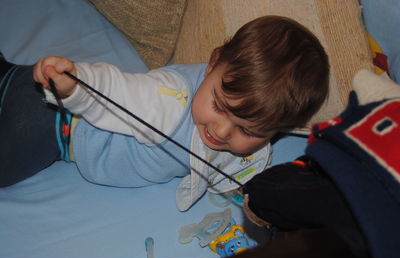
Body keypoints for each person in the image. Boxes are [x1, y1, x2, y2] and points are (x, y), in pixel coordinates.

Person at [0, 15, 329, 210]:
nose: (223, 132)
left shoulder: (250, 134)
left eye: (250, 130)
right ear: (213, 63)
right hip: (51, 121)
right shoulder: (169, 99)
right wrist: (73, 85)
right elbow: (115, 90)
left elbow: (242, 175)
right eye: (218, 106)